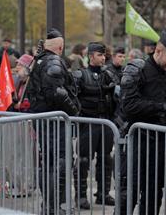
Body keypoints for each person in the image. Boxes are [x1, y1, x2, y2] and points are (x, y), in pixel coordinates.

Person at [118, 29, 166, 214]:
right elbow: (128, 106)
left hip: (159, 143)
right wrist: (161, 106)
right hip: (136, 141)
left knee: (154, 196)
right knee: (127, 196)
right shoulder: (137, 70)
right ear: (158, 51)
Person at [28, 28, 79, 215]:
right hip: (53, 120)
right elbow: (56, 93)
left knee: (49, 162)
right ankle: (53, 206)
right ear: (60, 46)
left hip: (46, 119)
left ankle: (51, 206)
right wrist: (74, 109)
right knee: (58, 163)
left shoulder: (41, 60)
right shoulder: (53, 62)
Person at [72, 42, 116, 209]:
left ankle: (103, 194)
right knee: (83, 160)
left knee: (106, 159)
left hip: (105, 123)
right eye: (99, 55)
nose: (103, 58)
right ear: (91, 57)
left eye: (104, 55)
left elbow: (117, 99)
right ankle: (81, 196)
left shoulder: (109, 75)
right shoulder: (80, 75)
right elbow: (73, 100)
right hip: (87, 123)